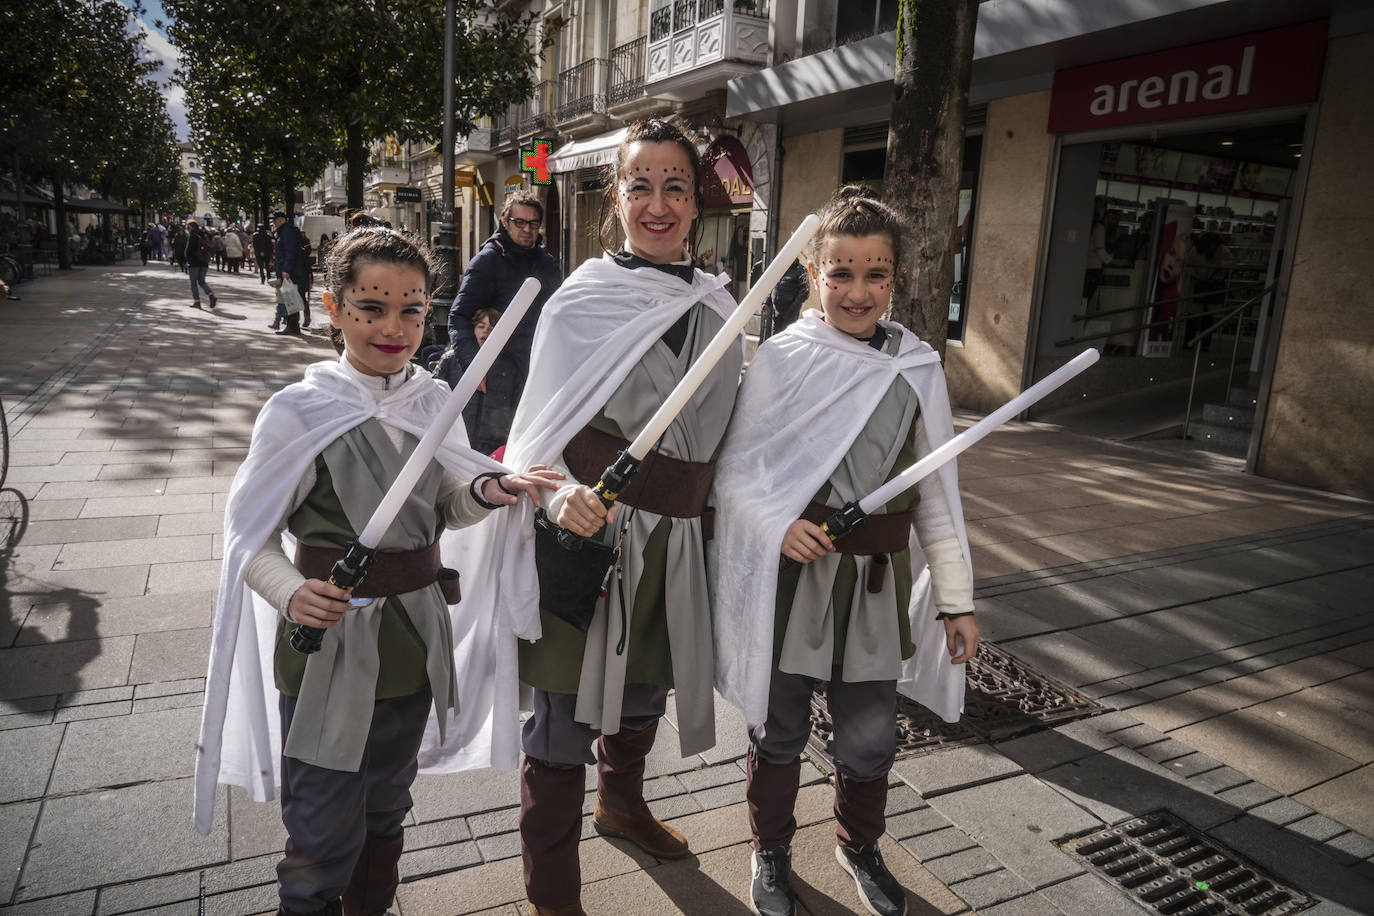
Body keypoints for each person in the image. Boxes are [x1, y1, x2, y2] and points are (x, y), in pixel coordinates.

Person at [192, 226, 561, 916]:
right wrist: (290, 591)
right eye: (372, 307)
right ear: (333, 307)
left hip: (413, 640)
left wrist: (485, 491)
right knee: (322, 826)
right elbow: (250, 534)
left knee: (387, 809)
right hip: (331, 643)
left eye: (413, 309)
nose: (394, 327)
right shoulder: (299, 411)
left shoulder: (432, 401)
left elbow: (443, 507)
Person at [478, 118, 743, 916]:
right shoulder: (584, 301)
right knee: (562, 721)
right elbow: (537, 433)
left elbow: (733, 432)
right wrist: (555, 493)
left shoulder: (722, 302)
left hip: (676, 542)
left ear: (698, 200)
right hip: (587, 535)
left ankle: (622, 804)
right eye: (640, 186)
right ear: (615, 199)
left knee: (644, 694)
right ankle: (551, 896)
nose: (657, 204)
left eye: (675, 186)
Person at [710, 186, 980, 916]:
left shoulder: (915, 366)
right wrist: (773, 523)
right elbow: (735, 474)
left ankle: (858, 846)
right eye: (841, 273)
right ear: (813, 274)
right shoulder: (784, 359)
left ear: (896, 278)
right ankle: (770, 853)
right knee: (779, 727)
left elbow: (938, 498)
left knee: (868, 736)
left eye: (875, 274)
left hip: (874, 586)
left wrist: (956, 601)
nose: (857, 291)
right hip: (796, 581)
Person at [444, 190, 563, 449]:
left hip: (534, 371)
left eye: (533, 223)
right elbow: (459, 315)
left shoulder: (547, 264)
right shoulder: (488, 261)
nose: (527, 230)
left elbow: (560, 316)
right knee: (489, 451)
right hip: (495, 376)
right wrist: (474, 366)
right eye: (519, 222)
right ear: (505, 221)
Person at [273, 212, 311, 332]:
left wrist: (286, 269)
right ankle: (293, 326)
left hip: (292, 272)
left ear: (281, 220)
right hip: (293, 270)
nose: (274, 223)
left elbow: (290, 252)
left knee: (291, 297)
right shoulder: (285, 231)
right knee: (291, 297)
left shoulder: (287, 232)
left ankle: (292, 326)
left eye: (275, 220)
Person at [763, 258, 809, 337]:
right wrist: (767, 302)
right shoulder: (781, 268)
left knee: (787, 336)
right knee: (776, 337)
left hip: (790, 312)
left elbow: (804, 292)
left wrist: (793, 308)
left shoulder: (801, 270)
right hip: (777, 311)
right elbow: (773, 286)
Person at [185, 219, 217, 310]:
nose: (187, 228)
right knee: (202, 281)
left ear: (191, 227)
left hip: (194, 262)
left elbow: (189, 250)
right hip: (204, 262)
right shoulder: (204, 234)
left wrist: (187, 259)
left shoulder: (193, 236)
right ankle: (211, 295)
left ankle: (197, 302)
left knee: (193, 283)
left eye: (188, 226)